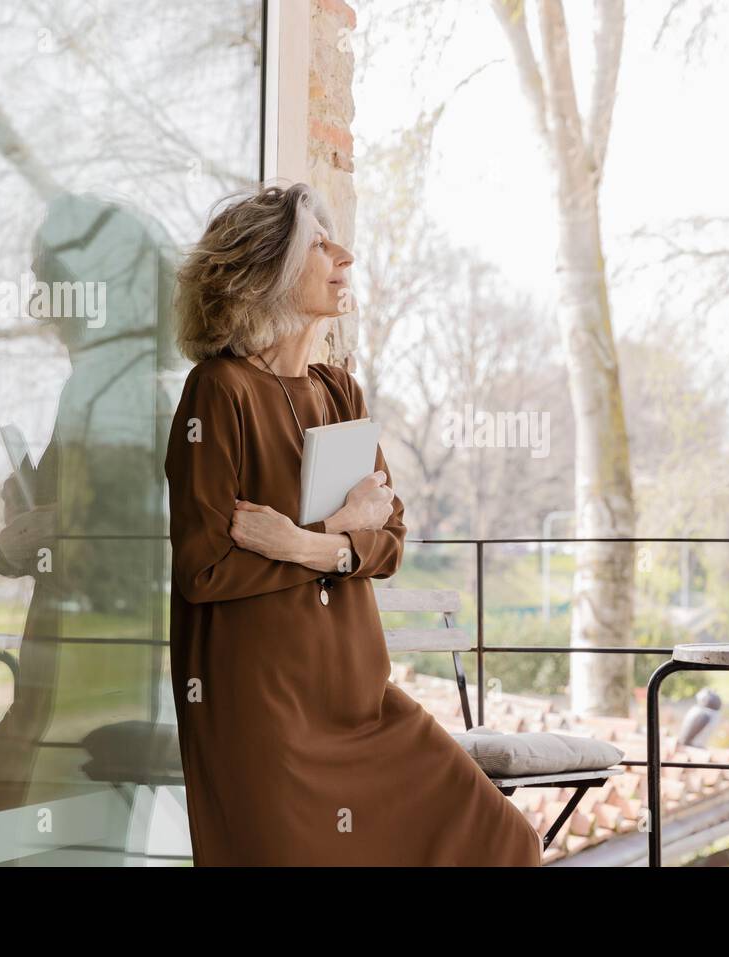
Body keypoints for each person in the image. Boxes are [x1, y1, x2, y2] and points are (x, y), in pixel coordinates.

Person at [165, 181, 542, 865]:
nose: (345, 255)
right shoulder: (218, 391)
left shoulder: (339, 388)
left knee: (502, 840)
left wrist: (311, 539)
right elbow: (204, 568)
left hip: (360, 702)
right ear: (265, 270)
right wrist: (344, 531)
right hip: (265, 713)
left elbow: (389, 538)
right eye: (319, 243)